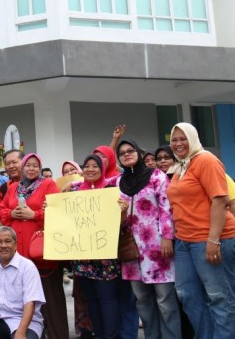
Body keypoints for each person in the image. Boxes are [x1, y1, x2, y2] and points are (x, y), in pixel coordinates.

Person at [166, 122, 235, 339]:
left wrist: (213, 240)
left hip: (212, 239)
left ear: (193, 138)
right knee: (188, 296)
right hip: (184, 242)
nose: (178, 144)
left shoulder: (205, 160)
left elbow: (220, 200)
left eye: (183, 138)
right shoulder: (180, 167)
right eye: (174, 140)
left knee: (220, 298)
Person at [0, 153, 68, 339]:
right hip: (19, 256)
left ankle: (57, 335)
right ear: (22, 167)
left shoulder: (48, 185)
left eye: (35, 165)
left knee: (50, 299)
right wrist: (12, 213)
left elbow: (58, 212)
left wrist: (34, 215)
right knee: (25, 301)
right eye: (28, 165)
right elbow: (2, 210)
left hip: (41, 254)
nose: (31, 168)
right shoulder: (13, 188)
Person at [114, 140, 180, 339]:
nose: (126, 154)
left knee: (165, 301)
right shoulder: (119, 183)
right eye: (122, 153)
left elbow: (166, 208)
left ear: (139, 153)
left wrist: (168, 237)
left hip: (158, 248)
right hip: (132, 252)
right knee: (143, 302)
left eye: (130, 150)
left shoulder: (156, 176)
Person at [71, 155, 124, 339]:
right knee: (92, 300)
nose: (91, 169)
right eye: (87, 166)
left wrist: (122, 211)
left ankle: (111, 336)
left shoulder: (111, 191)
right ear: (82, 170)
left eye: (95, 166)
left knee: (107, 299)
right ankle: (100, 335)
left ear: (102, 170)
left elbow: (121, 224)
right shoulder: (75, 193)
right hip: (83, 257)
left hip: (105, 255)